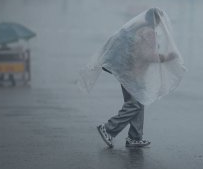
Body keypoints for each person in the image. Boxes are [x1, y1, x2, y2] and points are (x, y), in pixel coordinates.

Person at [78, 8, 185, 148]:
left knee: (139, 103)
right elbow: (146, 55)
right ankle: (109, 128)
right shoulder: (149, 33)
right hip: (135, 75)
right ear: (157, 20)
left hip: (129, 73)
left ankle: (135, 137)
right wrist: (167, 57)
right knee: (134, 105)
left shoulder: (138, 29)